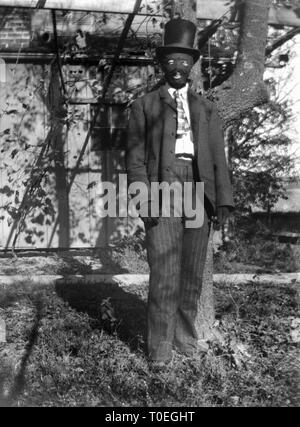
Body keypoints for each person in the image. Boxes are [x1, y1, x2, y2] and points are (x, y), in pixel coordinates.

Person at [126, 19, 234, 364]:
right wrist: (143, 199)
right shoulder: (145, 106)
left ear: (192, 66)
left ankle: (185, 342)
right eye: (171, 61)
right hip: (162, 187)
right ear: (162, 65)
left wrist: (225, 202)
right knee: (164, 272)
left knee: (190, 273)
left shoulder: (206, 107)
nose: (177, 67)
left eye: (184, 62)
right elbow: (136, 161)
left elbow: (218, 156)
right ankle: (159, 352)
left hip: (199, 189)